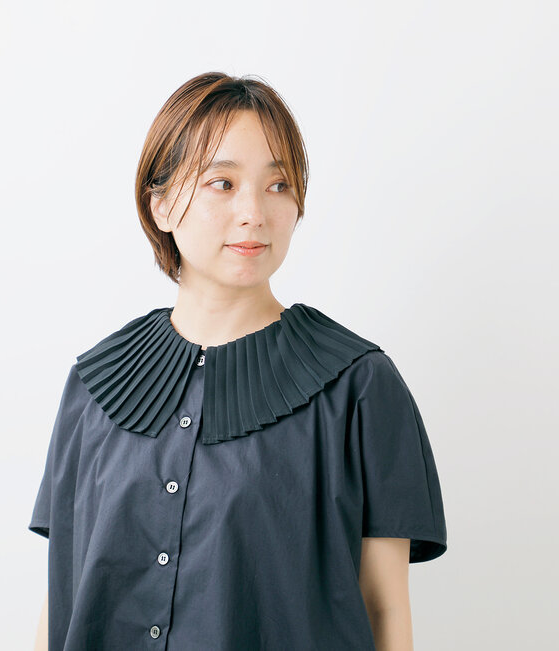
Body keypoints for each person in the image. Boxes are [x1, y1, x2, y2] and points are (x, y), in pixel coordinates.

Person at [28, 71, 448, 651]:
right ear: (160, 204)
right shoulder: (95, 384)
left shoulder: (358, 387)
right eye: (221, 183)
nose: (253, 212)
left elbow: (386, 608)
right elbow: (61, 599)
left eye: (278, 185)